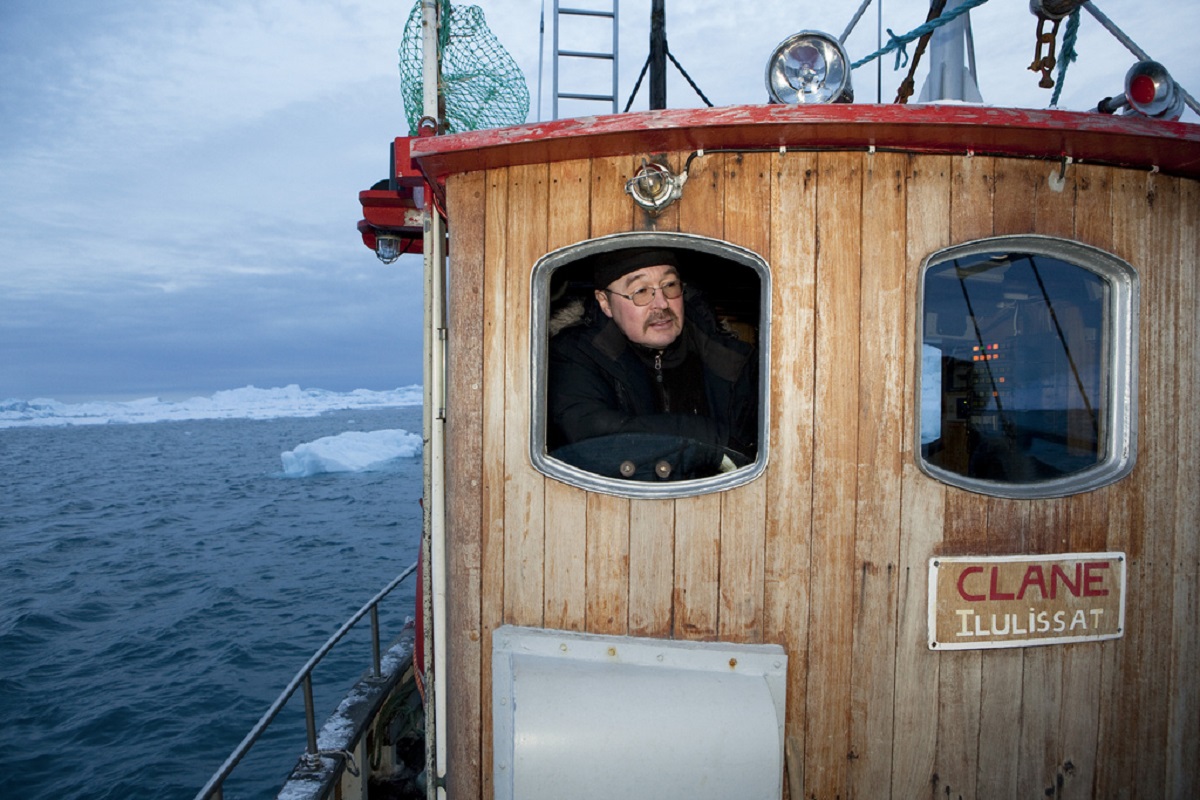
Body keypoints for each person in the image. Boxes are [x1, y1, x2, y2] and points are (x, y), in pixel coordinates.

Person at [547, 248, 757, 481]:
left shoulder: (730, 360)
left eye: (669, 285)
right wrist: (708, 440)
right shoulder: (573, 355)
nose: (662, 304)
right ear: (605, 302)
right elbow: (589, 437)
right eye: (641, 291)